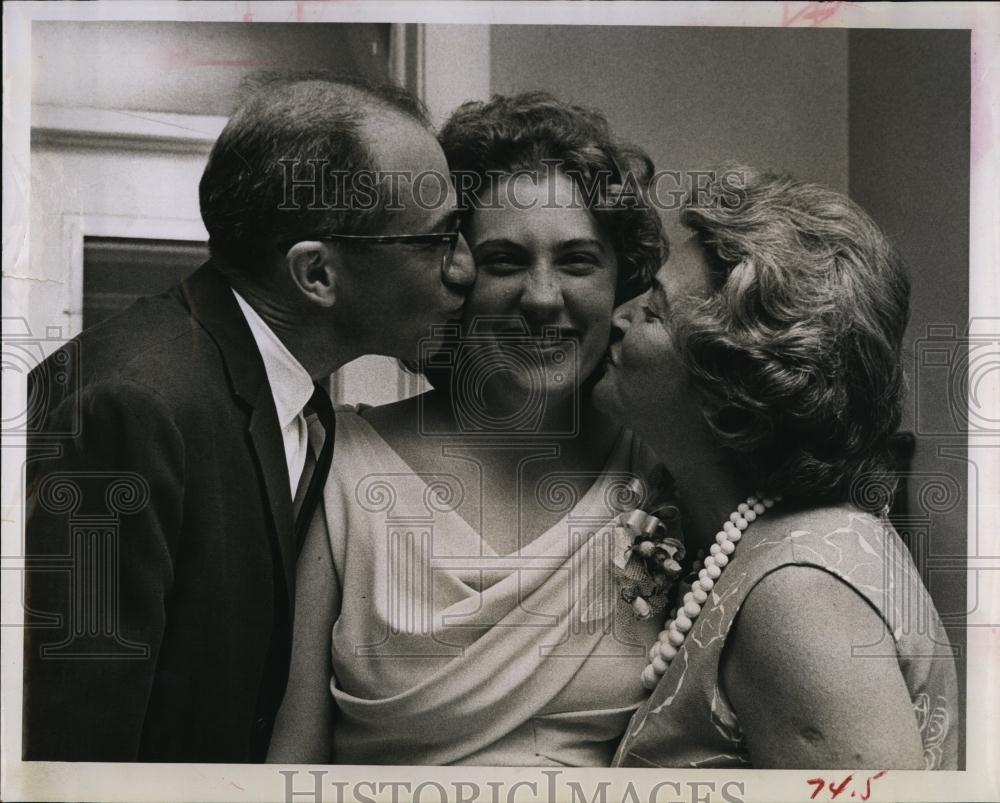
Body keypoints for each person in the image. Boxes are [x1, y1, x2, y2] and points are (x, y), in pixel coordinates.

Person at [23, 74, 474, 762]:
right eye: (437, 241)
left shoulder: (302, 402)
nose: (465, 269)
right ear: (317, 274)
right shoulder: (124, 407)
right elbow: (71, 751)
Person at [268, 92, 671, 765]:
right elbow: (292, 757)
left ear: (621, 280)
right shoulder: (341, 466)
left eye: (577, 261)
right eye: (505, 262)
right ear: (451, 275)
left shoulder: (663, 468)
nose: (543, 299)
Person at [597, 167, 959, 769]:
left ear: (731, 399)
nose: (619, 315)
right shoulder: (736, 530)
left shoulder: (799, 603)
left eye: (655, 311)